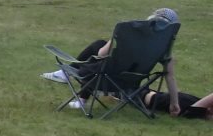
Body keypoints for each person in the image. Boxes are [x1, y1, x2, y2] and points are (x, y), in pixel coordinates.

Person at [48, 7, 182, 111]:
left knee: (99, 56)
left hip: (104, 78)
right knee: (99, 44)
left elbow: (101, 54)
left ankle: (69, 77)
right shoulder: (163, 50)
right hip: (131, 83)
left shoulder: (131, 35)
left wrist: (114, 39)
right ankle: (76, 91)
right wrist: (174, 103)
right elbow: (170, 77)